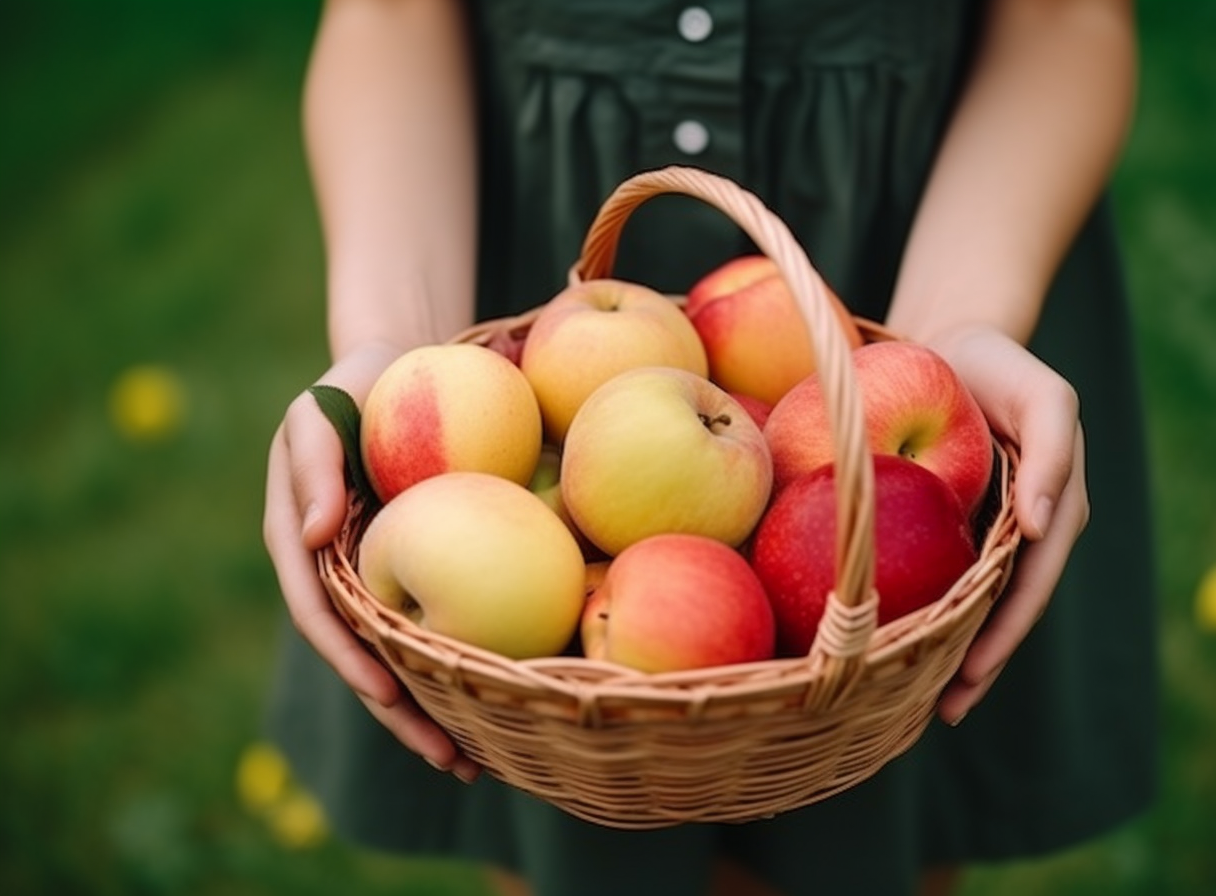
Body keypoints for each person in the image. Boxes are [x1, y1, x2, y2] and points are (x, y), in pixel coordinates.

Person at [262, 1, 1159, 894]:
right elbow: (389, 20)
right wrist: (391, 353)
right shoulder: (501, 408)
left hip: (939, 240)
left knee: (866, 849)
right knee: (575, 854)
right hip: (501, 292)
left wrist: (949, 336)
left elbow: (1064, 22)